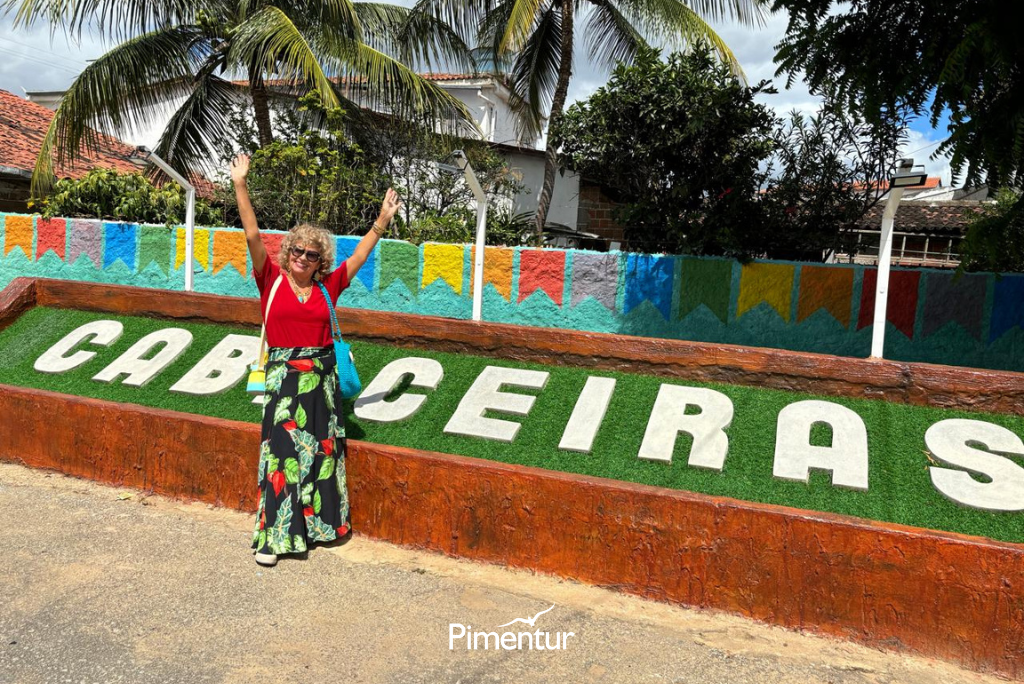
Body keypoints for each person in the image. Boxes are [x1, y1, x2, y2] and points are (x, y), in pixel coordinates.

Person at [230, 153, 401, 567]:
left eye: (311, 254)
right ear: (288, 251)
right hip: (284, 382)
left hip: (322, 383)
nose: (303, 258)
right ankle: (274, 538)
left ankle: (319, 528)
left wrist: (381, 221)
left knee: (322, 456)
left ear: (320, 260)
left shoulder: (328, 287)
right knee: (282, 458)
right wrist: (240, 184)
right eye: (297, 250)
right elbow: (252, 234)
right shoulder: (270, 280)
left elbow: (359, 258)